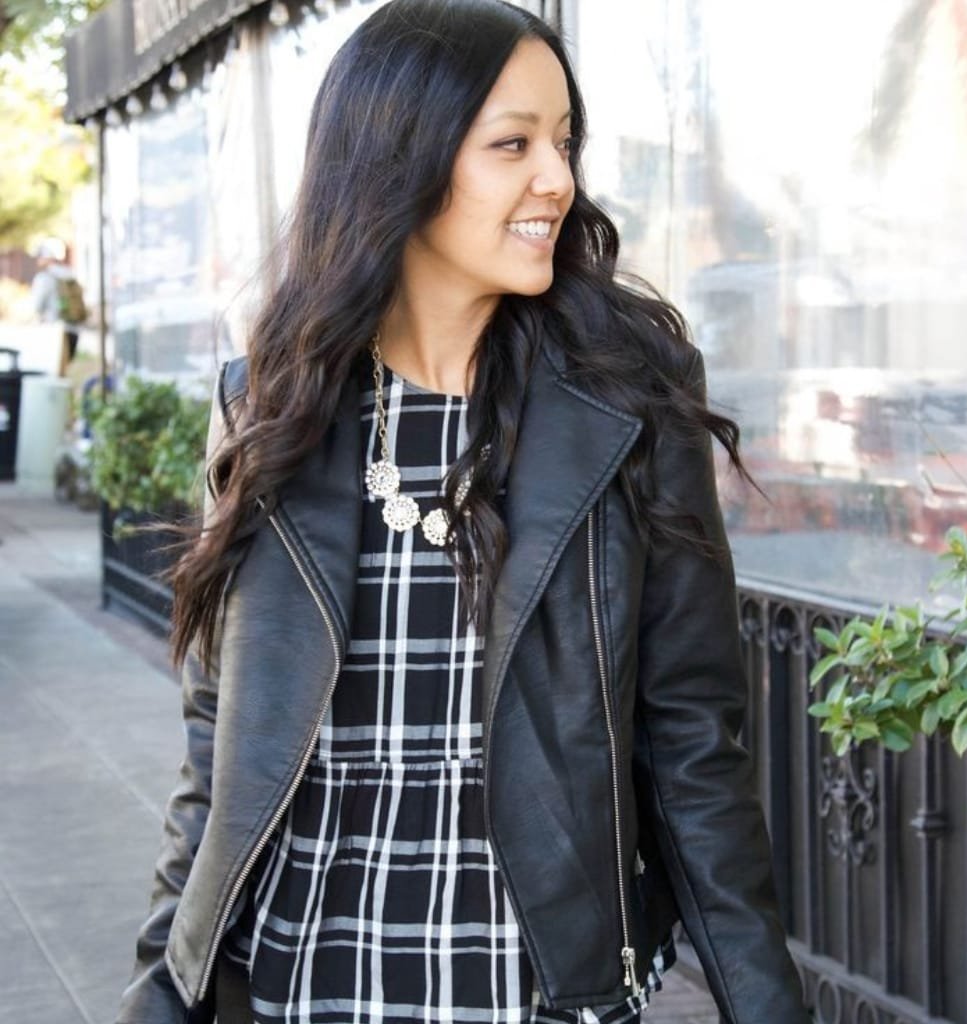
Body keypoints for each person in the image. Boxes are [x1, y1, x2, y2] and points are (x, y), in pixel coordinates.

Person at [116, 2, 811, 1022]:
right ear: (401, 158)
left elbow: (693, 742)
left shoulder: (623, 406)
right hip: (299, 977)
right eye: (513, 144)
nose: (558, 179)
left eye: (564, 141)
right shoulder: (270, 405)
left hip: (529, 986)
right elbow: (221, 743)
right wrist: (161, 980)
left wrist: (764, 1001)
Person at [29, 237, 84, 377]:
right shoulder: (70, 274)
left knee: (51, 375)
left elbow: (37, 306)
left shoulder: (44, 277)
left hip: (54, 331)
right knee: (65, 372)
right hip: (74, 329)